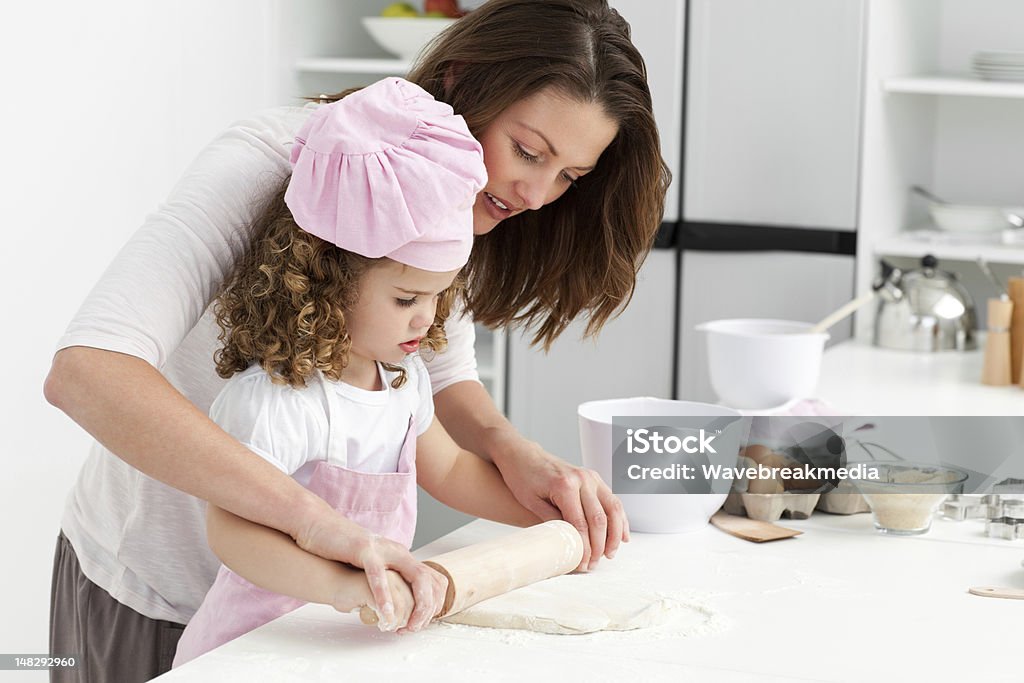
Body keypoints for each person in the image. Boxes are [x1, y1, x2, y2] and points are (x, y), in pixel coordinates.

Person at [44, 0, 669, 679]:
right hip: (151, 597)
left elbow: (440, 374)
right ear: (462, 80)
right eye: (528, 151)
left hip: (307, 625)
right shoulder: (270, 162)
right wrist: (316, 527)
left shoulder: (455, 201)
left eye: (570, 176)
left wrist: (520, 459)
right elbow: (88, 371)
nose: (538, 193)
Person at [171, 76, 541, 667]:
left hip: (349, 640)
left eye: (437, 298)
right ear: (327, 283)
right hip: (257, 648)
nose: (424, 319)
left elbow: (446, 468)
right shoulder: (279, 401)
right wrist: (345, 587)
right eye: (405, 300)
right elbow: (232, 533)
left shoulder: (403, 380)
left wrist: (548, 515)